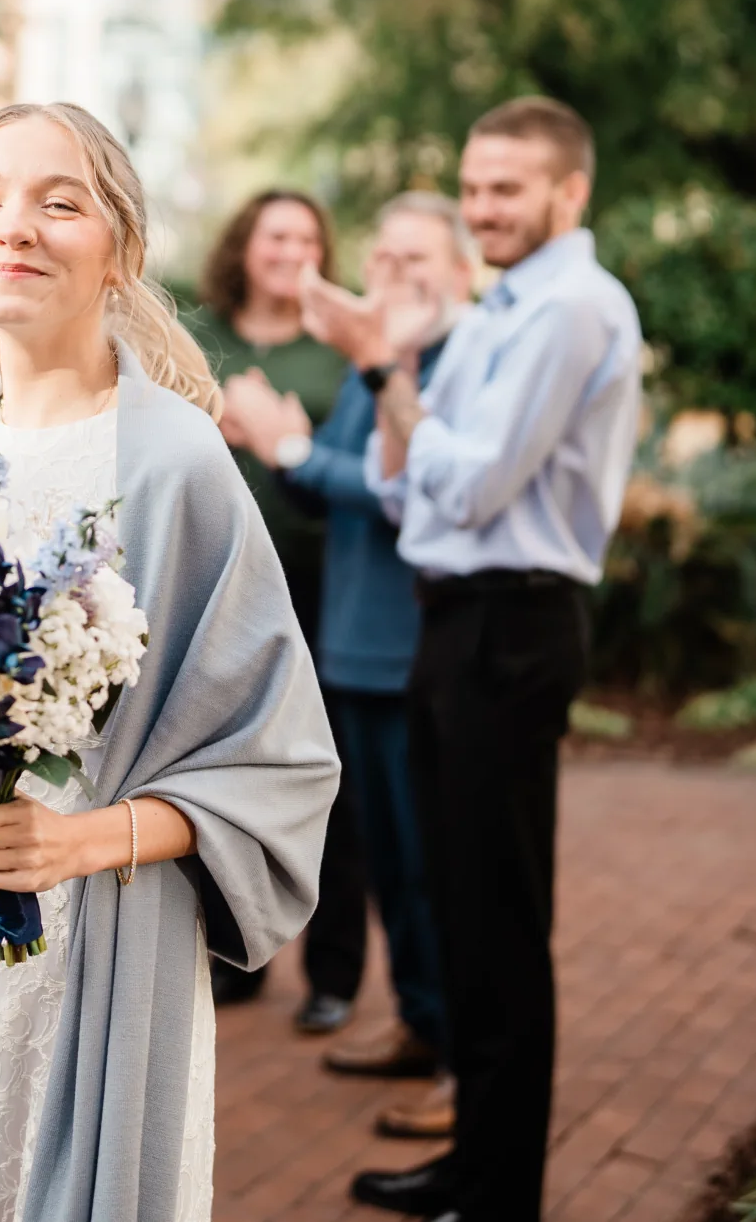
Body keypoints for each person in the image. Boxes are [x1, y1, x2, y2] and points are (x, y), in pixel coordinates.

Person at [0, 102, 341, 1222]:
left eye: (59, 201)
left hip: (95, 926)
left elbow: (279, 761)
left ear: (120, 249)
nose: (14, 227)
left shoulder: (173, 458)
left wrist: (82, 840)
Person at [350, 98, 643, 1222]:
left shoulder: (572, 308)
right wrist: (404, 397)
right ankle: (471, 1163)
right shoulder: (501, 306)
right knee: (456, 903)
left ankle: (501, 1190)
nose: (482, 209)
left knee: (501, 919)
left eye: (507, 189)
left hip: (512, 629)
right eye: (473, 187)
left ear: (570, 193)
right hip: (454, 622)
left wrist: (390, 383)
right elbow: (403, 480)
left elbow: (470, 483)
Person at [227, 193, 472, 1141]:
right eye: (385, 257)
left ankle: (459, 1055)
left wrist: (284, 442)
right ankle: (417, 1021)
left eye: (418, 259)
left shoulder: (448, 364)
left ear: (458, 268)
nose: (396, 275)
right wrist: (286, 445)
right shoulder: (377, 365)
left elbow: (402, 491)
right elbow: (336, 477)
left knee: (434, 870)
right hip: (355, 647)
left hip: (415, 649)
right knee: (395, 863)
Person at [183, 190, 363, 1028]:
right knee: (222, 773)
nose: (291, 249)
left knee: (328, 777)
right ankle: (239, 954)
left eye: (307, 236)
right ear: (244, 246)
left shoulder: (340, 352)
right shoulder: (199, 336)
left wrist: (286, 442)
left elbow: (360, 473)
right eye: (275, 234)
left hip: (321, 584)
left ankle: (335, 972)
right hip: (215, 584)